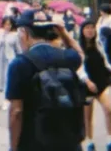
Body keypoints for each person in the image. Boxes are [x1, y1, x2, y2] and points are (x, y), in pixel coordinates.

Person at [6, 9, 86, 151]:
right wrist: (63, 32)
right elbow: (80, 54)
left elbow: (16, 111)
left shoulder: (20, 64)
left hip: (34, 141)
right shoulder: (66, 57)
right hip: (68, 139)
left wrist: (13, 147)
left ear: (24, 32)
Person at [78, 20, 111, 151]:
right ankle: (89, 143)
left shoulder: (98, 44)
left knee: (108, 109)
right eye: (87, 28)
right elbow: (79, 68)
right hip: (86, 85)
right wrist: (87, 81)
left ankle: (110, 141)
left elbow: (105, 61)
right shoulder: (78, 47)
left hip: (101, 82)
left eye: (92, 28)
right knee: (87, 116)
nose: (90, 30)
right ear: (82, 31)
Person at [0, 16, 22, 108]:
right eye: (6, 24)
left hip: (9, 59)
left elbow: (18, 49)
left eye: (9, 24)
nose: (7, 26)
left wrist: (20, 60)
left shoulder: (15, 35)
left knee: (7, 79)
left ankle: (6, 100)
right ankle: (0, 100)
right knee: (0, 79)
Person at [96, 5, 111, 71]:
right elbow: (97, 27)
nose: (100, 12)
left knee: (108, 55)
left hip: (108, 38)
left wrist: (104, 31)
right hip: (100, 38)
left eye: (101, 10)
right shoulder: (101, 18)